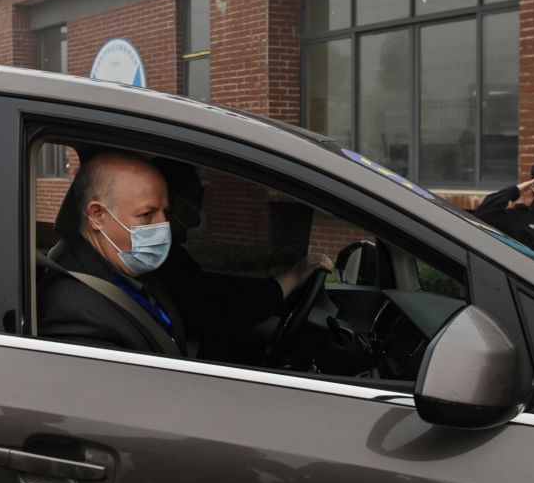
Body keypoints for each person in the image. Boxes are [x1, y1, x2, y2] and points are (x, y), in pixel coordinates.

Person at [37, 149, 332, 357]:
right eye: (147, 214)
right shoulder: (75, 311)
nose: (164, 225)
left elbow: (206, 298)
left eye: (166, 211)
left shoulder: (128, 266)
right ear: (98, 216)